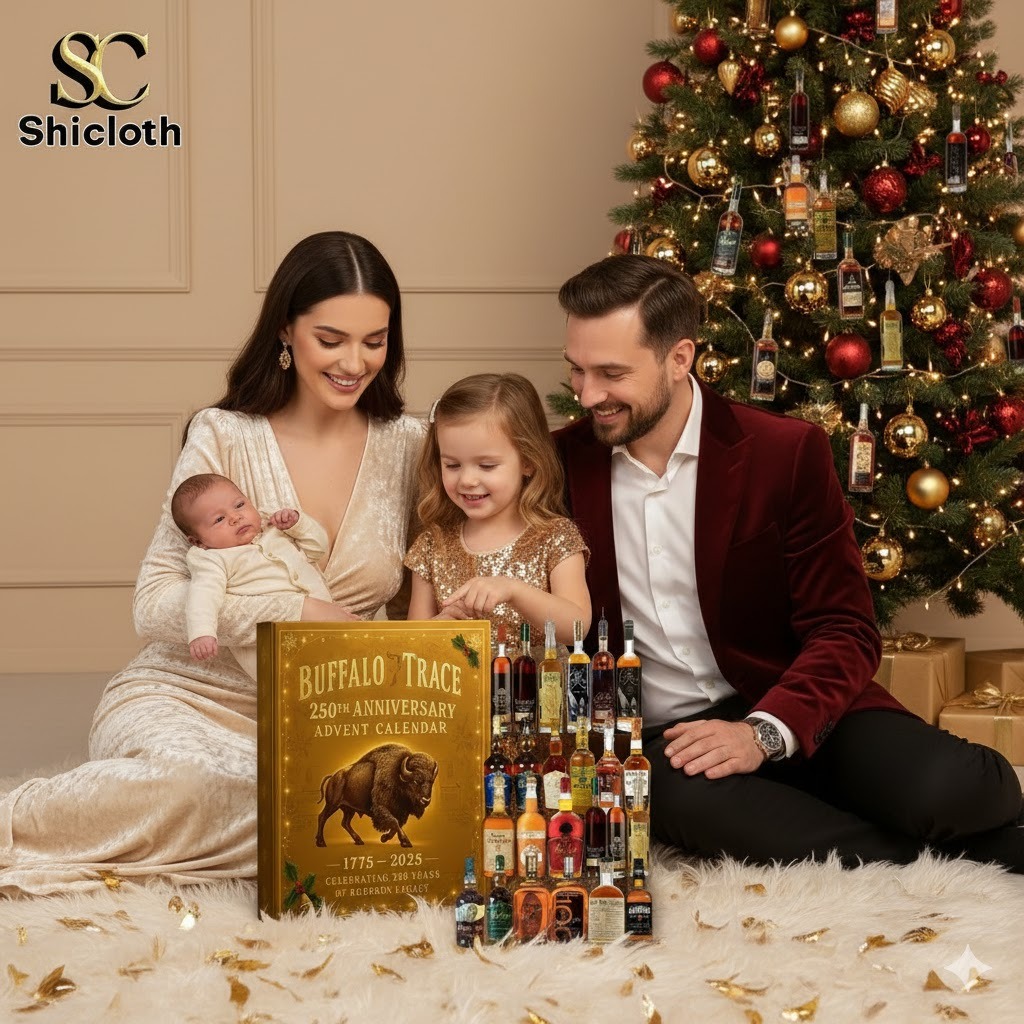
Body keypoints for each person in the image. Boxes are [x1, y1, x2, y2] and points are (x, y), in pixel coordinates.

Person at [552, 254, 1024, 873]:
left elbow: (846, 628)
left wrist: (765, 732)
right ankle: (955, 862)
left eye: (611, 373)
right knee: (701, 814)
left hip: (791, 698)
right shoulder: (556, 467)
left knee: (965, 790)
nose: (588, 395)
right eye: (577, 371)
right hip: (668, 746)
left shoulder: (783, 452)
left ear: (679, 357)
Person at [0, 231, 425, 895]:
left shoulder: (410, 444)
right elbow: (154, 605)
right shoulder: (223, 434)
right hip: (189, 697)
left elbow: (420, 597)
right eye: (331, 338)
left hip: (324, 716)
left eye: (375, 341)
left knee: (307, 810)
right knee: (193, 788)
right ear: (286, 331)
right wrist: (292, 610)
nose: (354, 361)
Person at [405, 372, 591, 644]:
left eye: (487, 465)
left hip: (535, 686)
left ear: (528, 461)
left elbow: (576, 628)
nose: (467, 480)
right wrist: (436, 629)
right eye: (452, 465)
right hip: (459, 686)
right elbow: (412, 644)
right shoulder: (432, 546)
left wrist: (514, 590)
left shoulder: (555, 537)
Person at [171, 473, 334, 679]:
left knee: (344, 675)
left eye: (239, 505)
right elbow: (204, 595)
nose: (235, 517)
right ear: (198, 541)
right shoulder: (213, 558)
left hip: (327, 625)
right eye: (219, 519)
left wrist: (298, 525)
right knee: (292, 681)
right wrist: (202, 632)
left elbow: (317, 549)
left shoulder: (273, 529)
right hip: (269, 644)